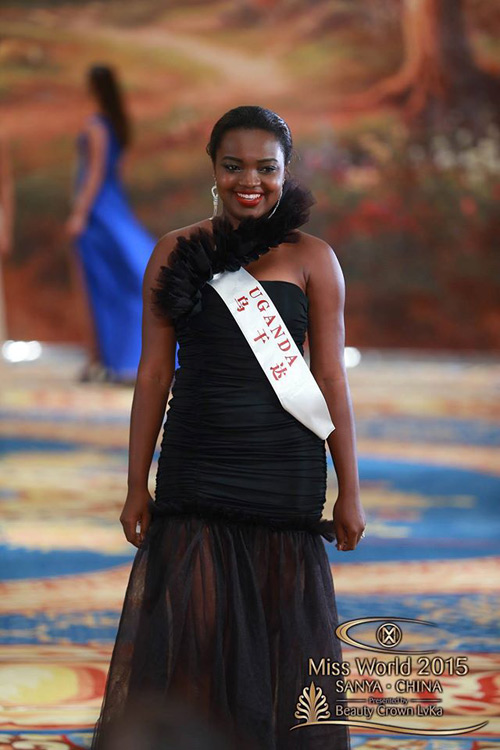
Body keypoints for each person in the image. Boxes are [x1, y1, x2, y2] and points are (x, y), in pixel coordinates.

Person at [90, 106, 365, 750]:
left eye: (266, 168)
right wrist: (135, 485)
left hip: (283, 473)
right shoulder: (175, 251)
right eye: (233, 166)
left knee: (281, 644)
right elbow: (152, 375)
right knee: (192, 639)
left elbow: (331, 379)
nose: (250, 182)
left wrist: (349, 488)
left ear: (285, 172)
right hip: (198, 465)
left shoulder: (314, 259)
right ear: (213, 169)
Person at [66, 64, 157, 383]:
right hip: (111, 206)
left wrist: (80, 213)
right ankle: (103, 358)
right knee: (113, 281)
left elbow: (94, 175)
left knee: (100, 285)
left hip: (100, 213)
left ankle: (107, 357)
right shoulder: (115, 125)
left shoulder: (97, 127)